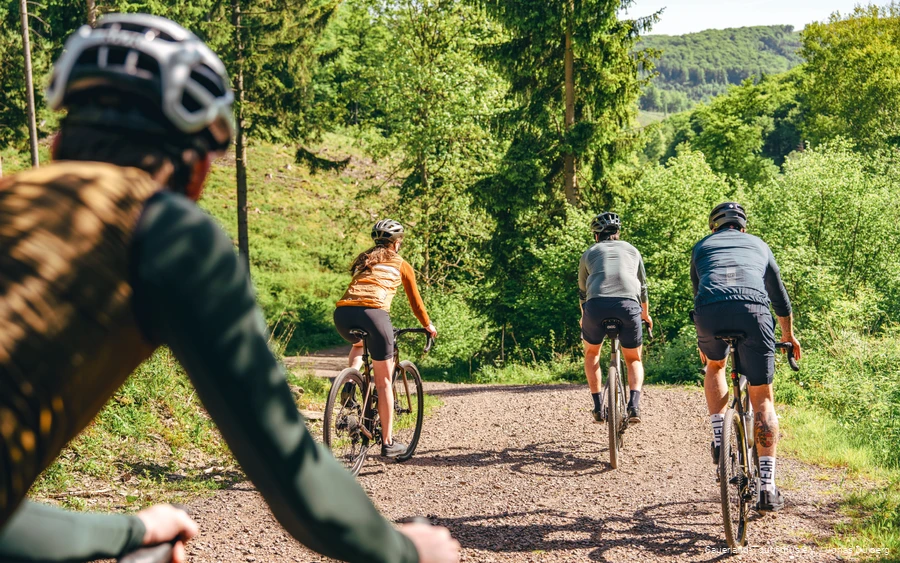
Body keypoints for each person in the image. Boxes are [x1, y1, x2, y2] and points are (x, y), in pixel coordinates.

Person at [0, 13, 459, 563]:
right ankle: (385, 436)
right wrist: (407, 550)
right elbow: (293, 475)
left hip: (347, 315)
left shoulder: (14, 200)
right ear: (196, 168)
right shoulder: (163, 230)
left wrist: (127, 532)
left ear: (56, 146)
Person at [690, 202, 802, 513]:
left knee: (715, 365)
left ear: (714, 227)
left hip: (710, 312)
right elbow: (779, 296)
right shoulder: (759, 245)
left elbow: (698, 290)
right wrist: (788, 335)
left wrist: (706, 333)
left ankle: (718, 438)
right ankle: (767, 488)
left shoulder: (702, 246)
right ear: (743, 226)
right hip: (754, 312)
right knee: (762, 397)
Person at [334, 220, 438, 457]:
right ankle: (388, 442)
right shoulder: (401, 264)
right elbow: (416, 302)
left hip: (343, 314)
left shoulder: (366, 260)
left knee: (359, 345)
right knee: (383, 383)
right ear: (397, 243)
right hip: (375, 315)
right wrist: (427, 325)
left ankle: (350, 383)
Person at [578, 212, 653, 424]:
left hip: (596, 306)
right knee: (634, 358)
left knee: (592, 353)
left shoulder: (589, 253)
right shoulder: (632, 250)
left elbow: (582, 292)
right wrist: (645, 315)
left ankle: (597, 406)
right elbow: (643, 287)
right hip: (628, 306)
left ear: (596, 236)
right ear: (618, 233)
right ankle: (634, 406)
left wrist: (584, 318)